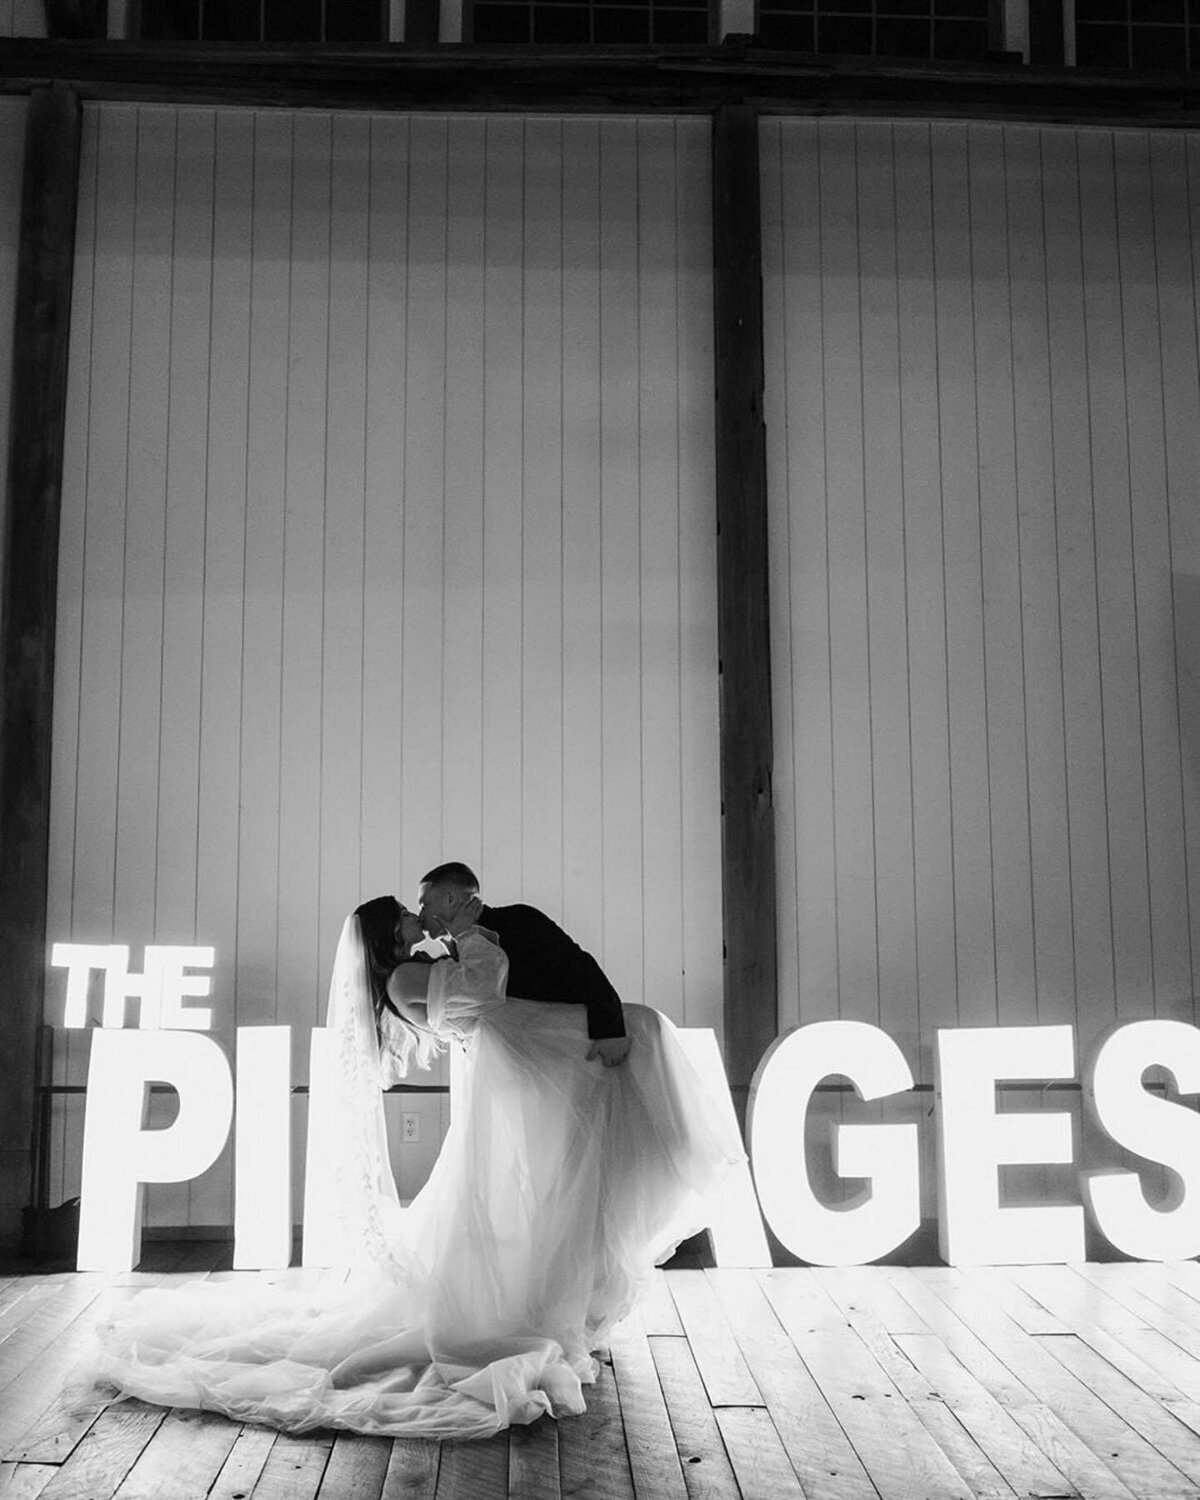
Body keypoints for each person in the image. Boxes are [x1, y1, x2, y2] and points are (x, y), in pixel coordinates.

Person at [89, 892, 743, 1441]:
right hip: (511, 1078)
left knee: (530, 1204)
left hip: (514, 1080)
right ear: (386, 938)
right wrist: (473, 934)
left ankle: (544, 1307)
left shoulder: (412, 972)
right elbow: (481, 993)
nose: (414, 919)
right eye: (405, 915)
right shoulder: (405, 978)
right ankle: (509, 1320)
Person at [415, 861, 632, 1067]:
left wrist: (611, 1031)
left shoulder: (519, 920)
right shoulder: (455, 955)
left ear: (450, 899)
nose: (420, 916)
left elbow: (579, 967)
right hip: (531, 1061)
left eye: (424, 905)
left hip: (586, 1045)